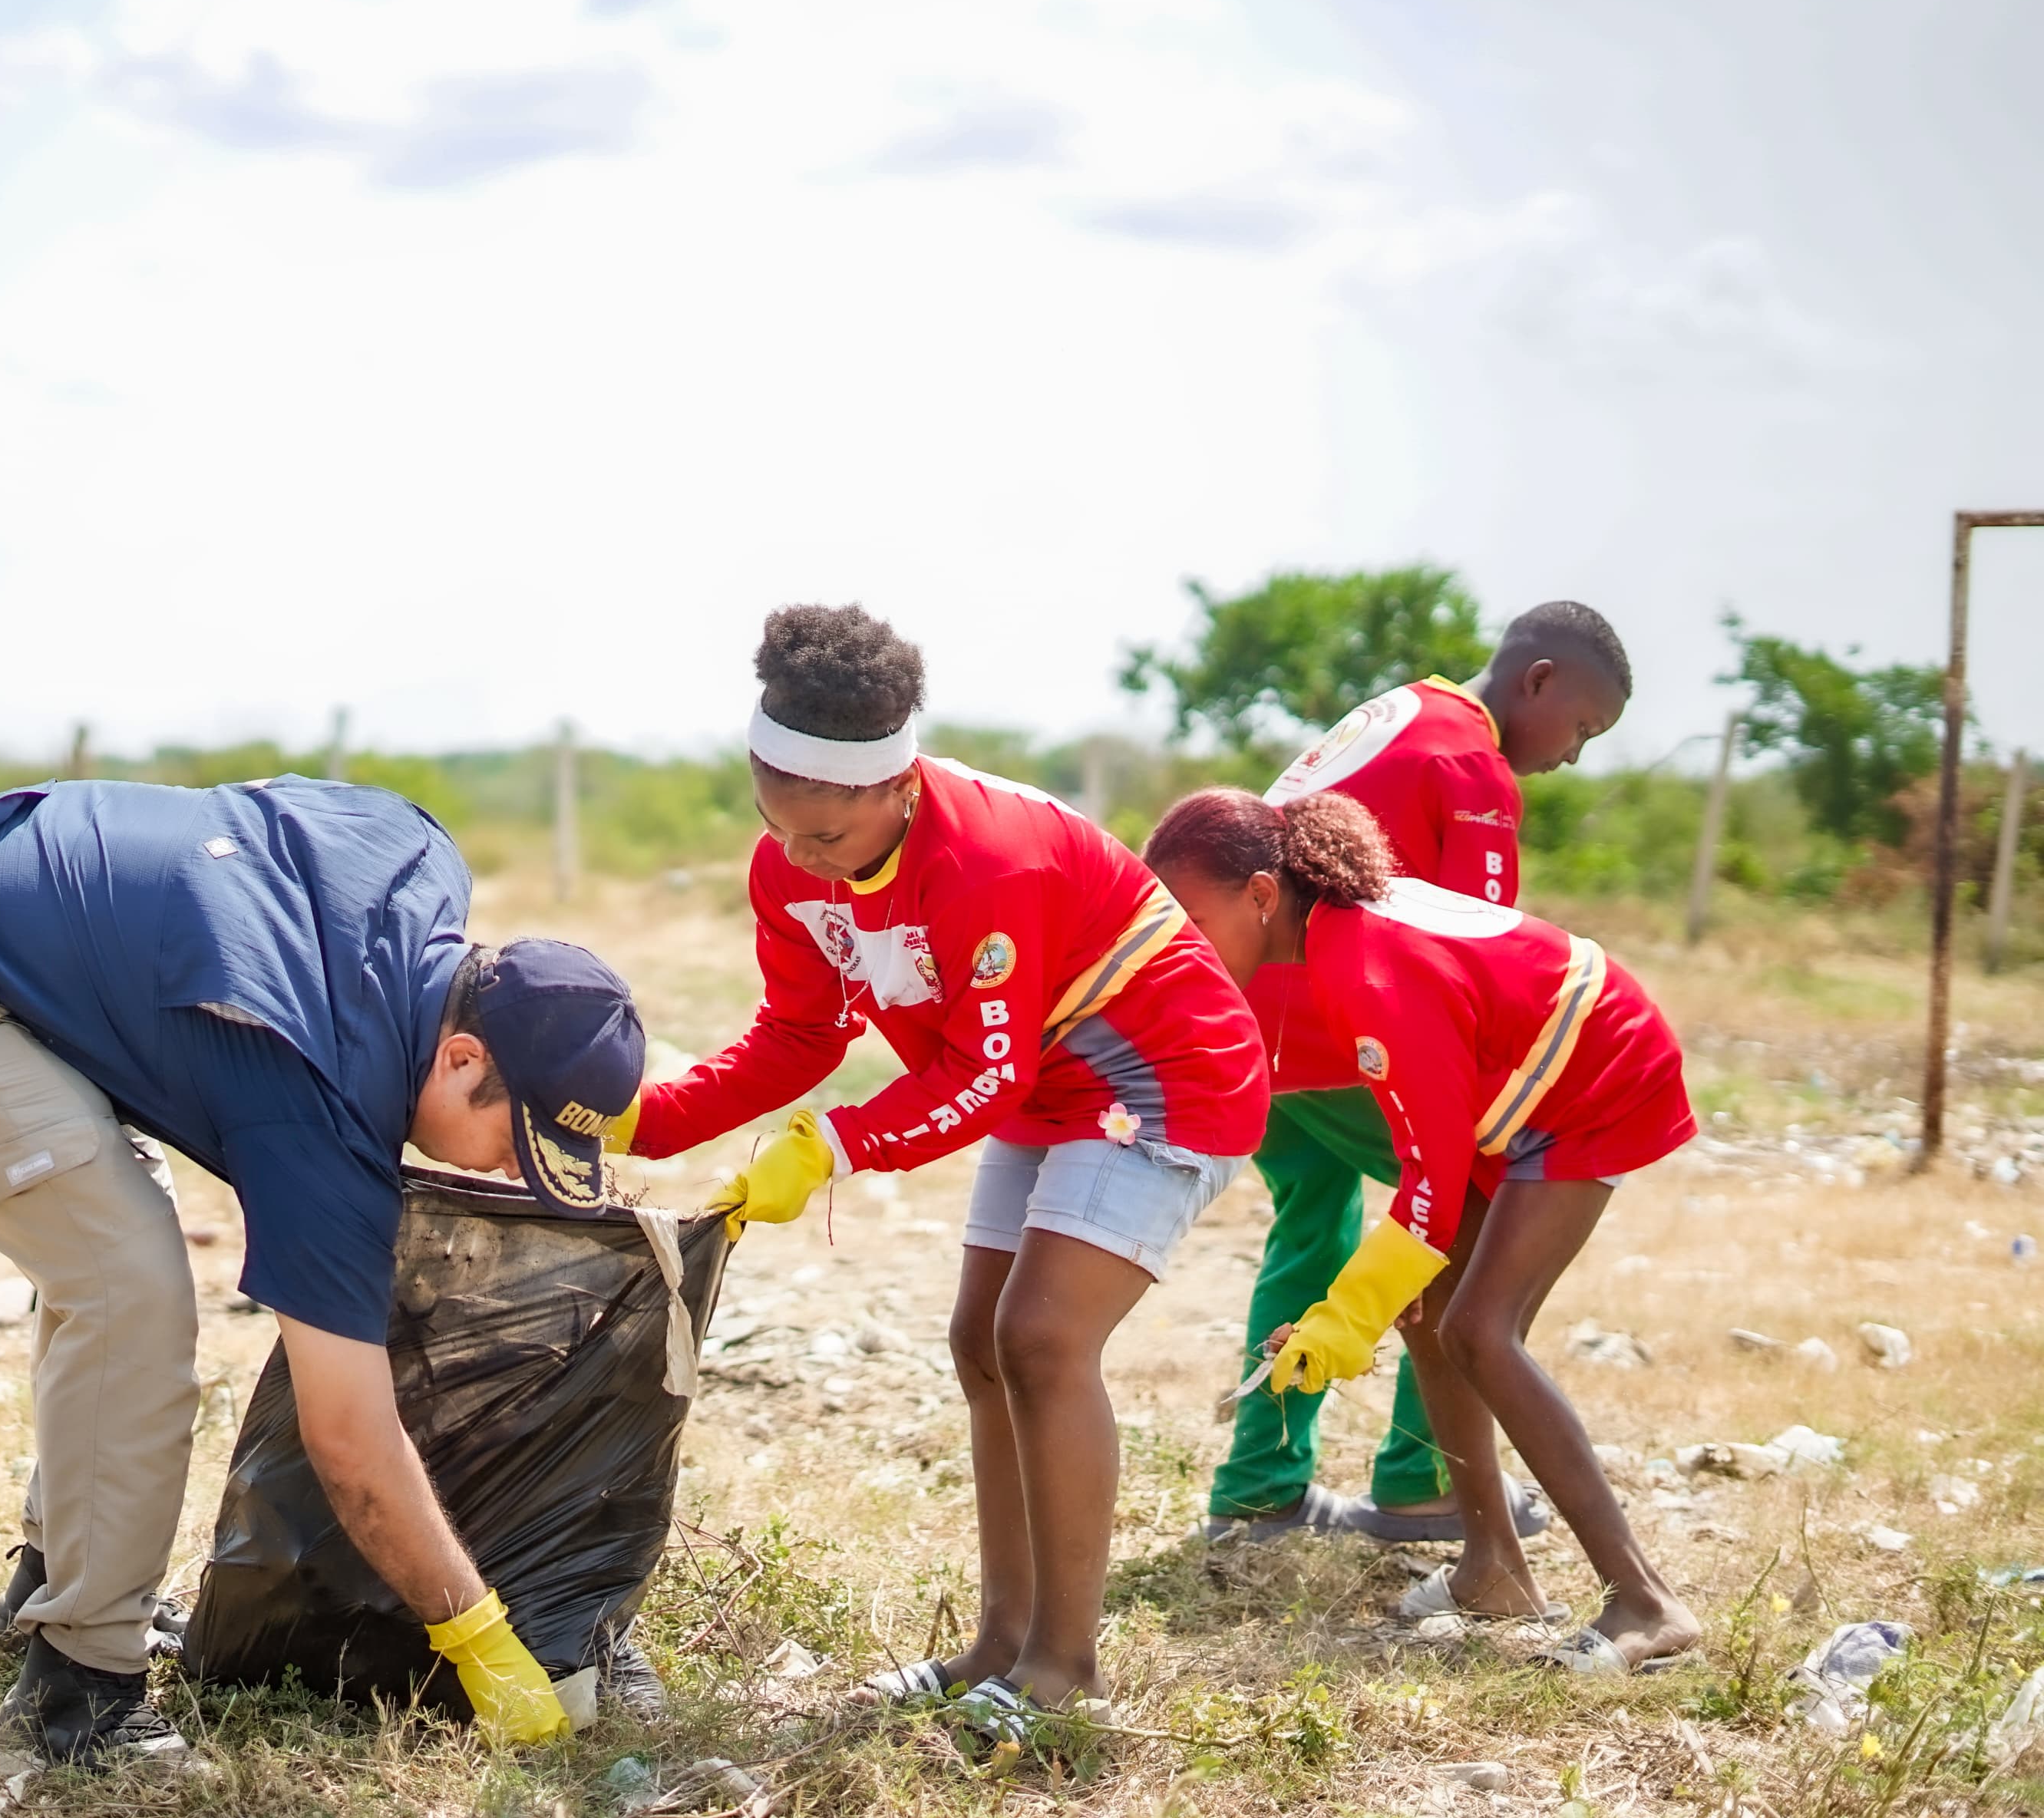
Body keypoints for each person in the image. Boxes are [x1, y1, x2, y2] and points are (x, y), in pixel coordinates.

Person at [0, 774, 642, 1760]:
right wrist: (477, 1636)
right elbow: (350, 1442)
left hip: (9, 902)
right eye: (514, 1134)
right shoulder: (318, 1096)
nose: (506, 1165)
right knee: (126, 1286)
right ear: (460, 1058)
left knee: (114, 1243)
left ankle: (51, 1584)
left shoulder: (421, 854)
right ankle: (76, 1695)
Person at [610, 606, 1266, 1720]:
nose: (802, 859)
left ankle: (1063, 1675)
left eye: (827, 838)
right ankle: (997, 1645)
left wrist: (838, 1143)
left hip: (1161, 1078)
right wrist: (645, 1122)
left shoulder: (988, 865)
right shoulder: (792, 870)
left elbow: (981, 1078)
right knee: (980, 1342)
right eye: (779, 827)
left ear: (895, 788)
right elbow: (802, 1036)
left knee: (1043, 1337)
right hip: (1043, 1077)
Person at [1146, 786, 1700, 1670]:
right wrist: (1362, 1307)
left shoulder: (1365, 968)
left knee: (1480, 1329)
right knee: (1428, 1308)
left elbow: (1429, 1195)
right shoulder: (1322, 938)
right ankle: (1492, 1571)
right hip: (1514, 1087)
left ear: (1259, 894)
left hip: (1594, 1074)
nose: (1182, 943)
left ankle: (1644, 1602)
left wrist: (1340, 1317)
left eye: (1191, 918)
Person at [1204, 603, 1633, 1544]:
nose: (1570, 755)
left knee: (1311, 1227)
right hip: (1337, 1028)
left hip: (1252, 1027)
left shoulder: (1393, 711)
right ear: (1539, 681)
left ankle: (1256, 1491)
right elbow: (1465, 953)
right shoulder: (1468, 766)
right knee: (1467, 1218)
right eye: (1582, 728)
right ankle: (1421, 1480)